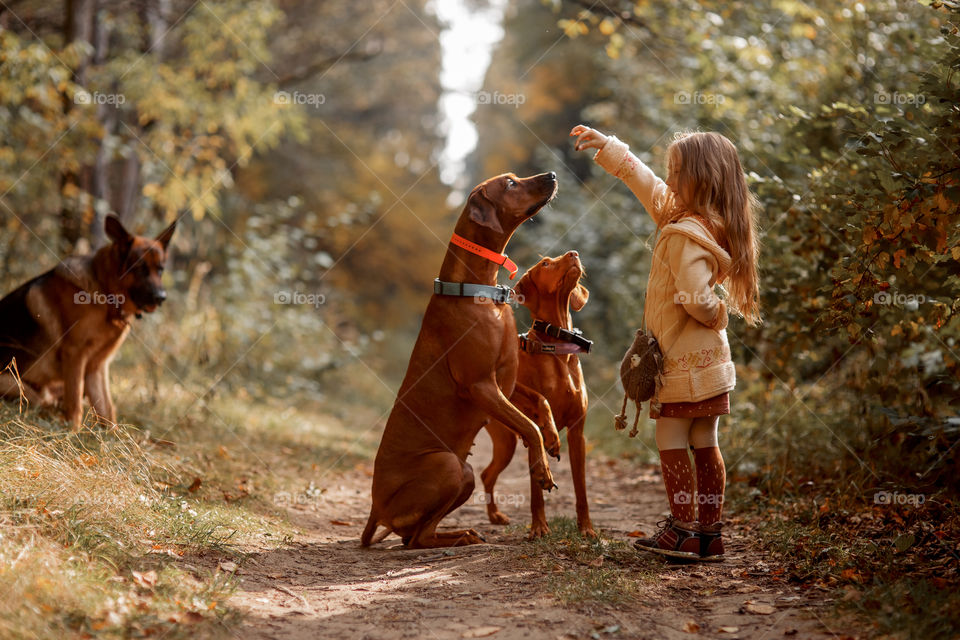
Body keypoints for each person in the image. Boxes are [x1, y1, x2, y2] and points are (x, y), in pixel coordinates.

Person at [571, 124, 761, 562]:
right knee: (707, 440)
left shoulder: (683, 233)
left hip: (681, 361)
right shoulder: (704, 222)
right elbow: (648, 184)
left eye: (677, 174)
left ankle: (680, 530)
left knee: (671, 436)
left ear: (702, 177)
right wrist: (612, 147)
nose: (669, 181)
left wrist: (715, 314)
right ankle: (709, 533)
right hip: (711, 362)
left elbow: (696, 295)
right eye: (670, 173)